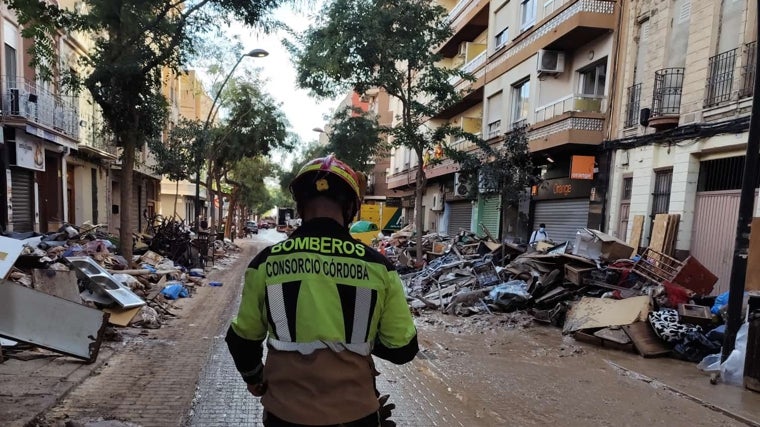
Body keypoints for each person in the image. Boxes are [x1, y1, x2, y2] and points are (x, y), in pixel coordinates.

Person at [226, 154, 419, 426]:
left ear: (301, 206)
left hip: (284, 414)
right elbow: (403, 349)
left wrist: (255, 378)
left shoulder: (266, 263)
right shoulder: (379, 267)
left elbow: (241, 340)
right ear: (351, 207)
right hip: (355, 415)